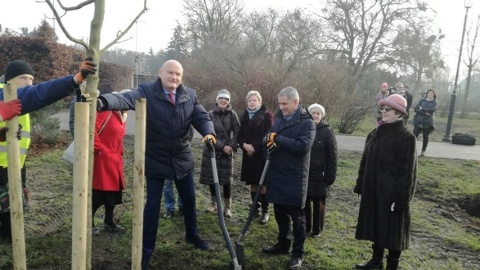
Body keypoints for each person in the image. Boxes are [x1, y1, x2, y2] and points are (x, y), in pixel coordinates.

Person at [95, 59, 216, 270]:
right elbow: (126, 98)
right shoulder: (147, 91)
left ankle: (192, 235)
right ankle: (146, 252)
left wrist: (208, 132)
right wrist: (103, 102)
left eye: (178, 74)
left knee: (189, 201)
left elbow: (201, 116)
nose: (174, 77)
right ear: (160, 72)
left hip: (181, 157)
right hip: (155, 158)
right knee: (151, 207)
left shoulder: (189, 95)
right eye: (170, 73)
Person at [0, 58, 96, 242]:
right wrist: (74, 79)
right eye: (23, 78)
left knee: (10, 223)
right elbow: (40, 93)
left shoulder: (16, 101)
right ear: (9, 80)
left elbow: (19, 149)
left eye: (31, 79)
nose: (29, 83)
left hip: (12, 169)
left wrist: (23, 180)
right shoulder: (4, 95)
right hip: (2, 170)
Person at [353, 94, 417, 270]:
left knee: (393, 232)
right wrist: (360, 186)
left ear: (399, 114)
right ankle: (376, 262)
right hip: (373, 191)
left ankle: (392, 266)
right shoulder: (374, 133)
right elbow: (364, 162)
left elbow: (407, 173)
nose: (383, 112)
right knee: (376, 226)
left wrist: (401, 200)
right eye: (382, 108)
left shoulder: (406, 137)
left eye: (388, 109)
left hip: (392, 195)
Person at [262, 87, 315, 270]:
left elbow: (302, 147)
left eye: (285, 104)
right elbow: (269, 136)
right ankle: (282, 244)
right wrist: (267, 141)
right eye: (280, 104)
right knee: (279, 213)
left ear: (295, 101)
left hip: (295, 176)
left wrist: (278, 139)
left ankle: (297, 253)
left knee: (297, 218)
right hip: (277, 173)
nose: (281, 107)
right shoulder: (278, 119)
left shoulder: (307, 123)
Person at [92, 90, 130, 235]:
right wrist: (98, 149)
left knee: (112, 195)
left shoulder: (122, 115)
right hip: (102, 160)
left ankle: (108, 221)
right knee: (98, 194)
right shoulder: (106, 111)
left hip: (115, 161)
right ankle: (89, 224)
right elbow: (92, 129)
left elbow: (117, 137)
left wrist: (119, 152)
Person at [199, 89, 240, 218]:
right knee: (213, 178)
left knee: (227, 180)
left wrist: (231, 146)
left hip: (227, 152)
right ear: (217, 100)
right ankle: (214, 204)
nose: (223, 101)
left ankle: (227, 207)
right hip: (212, 151)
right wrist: (222, 146)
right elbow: (207, 132)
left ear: (228, 101)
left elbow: (238, 132)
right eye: (221, 98)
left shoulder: (233, 114)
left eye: (226, 99)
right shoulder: (210, 114)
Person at [237, 90, 274, 224]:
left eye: (255, 100)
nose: (252, 102)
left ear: (259, 102)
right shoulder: (244, 116)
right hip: (248, 155)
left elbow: (268, 134)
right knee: (252, 183)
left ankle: (265, 211)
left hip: (262, 154)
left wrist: (254, 147)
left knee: (262, 184)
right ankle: (255, 209)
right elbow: (239, 135)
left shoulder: (267, 115)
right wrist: (245, 146)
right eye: (250, 100)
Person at [305, 103, 337, 238]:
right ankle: (306, 227)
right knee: (305, 202)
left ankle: (317, 230)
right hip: (306, 172)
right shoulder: (306, 128)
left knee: (319, 203)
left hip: (320, 173)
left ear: (321, 115)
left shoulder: (327, 130)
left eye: (318, 113)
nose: (315, 115)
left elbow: (333, 154)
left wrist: (330, 176)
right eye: (313, 113)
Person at [412, 89, 438, 157]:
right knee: (414, 136)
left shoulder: (435, 102)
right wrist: (425, 112)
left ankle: (423, 151)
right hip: (419, 120)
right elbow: (416, 109)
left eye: (432, 93)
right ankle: (412, 150)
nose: (430, 94)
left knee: (425, 137)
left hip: (428, 122)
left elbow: (432, 110)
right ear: (427, 94)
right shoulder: (422, 100)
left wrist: (422, 109)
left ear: (434, 95)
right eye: (429, 93)